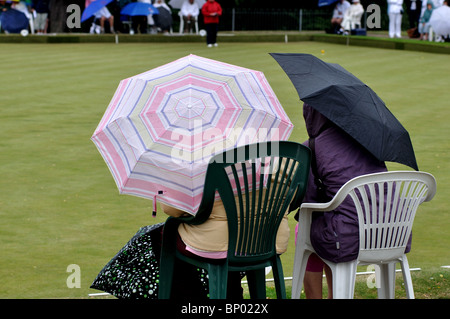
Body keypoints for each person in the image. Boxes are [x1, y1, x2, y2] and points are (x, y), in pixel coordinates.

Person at [161, 164, 292, 298]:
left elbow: (171, 209)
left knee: (161, 234)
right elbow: (292, 198)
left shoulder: (203, 166)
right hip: (267, 240)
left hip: (217, 244)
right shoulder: (277, 160)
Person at [299, 104, 389, 299]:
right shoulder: (369, 141)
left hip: (347, 239)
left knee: (306, 230)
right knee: (330, 224)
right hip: (389, 234)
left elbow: (306, 203)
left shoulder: (312, 147)